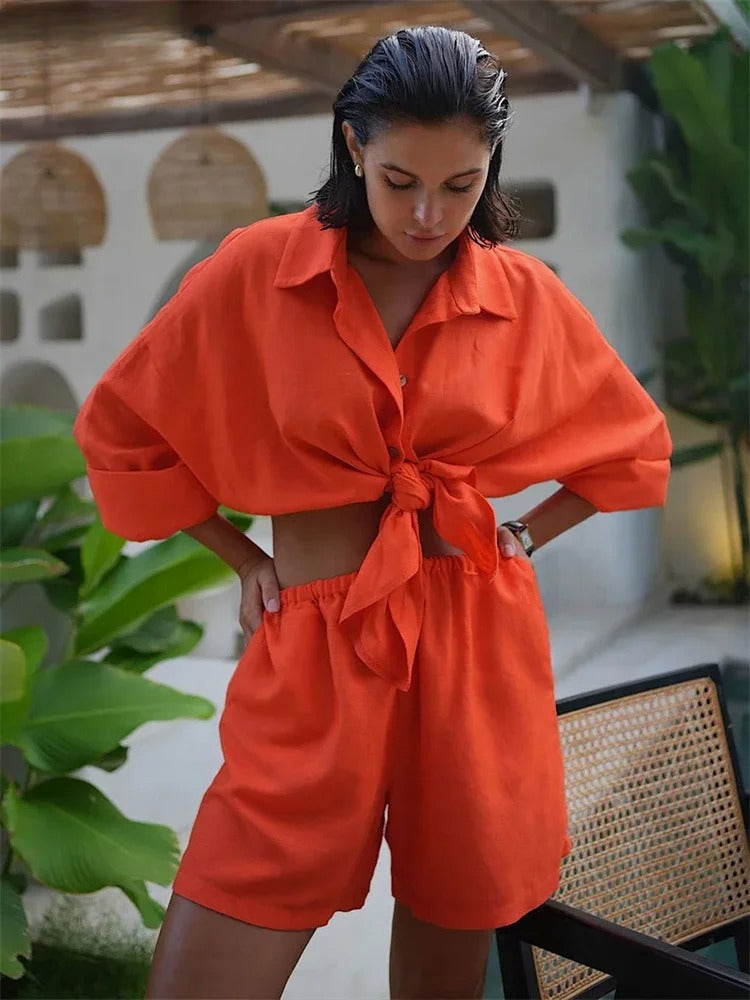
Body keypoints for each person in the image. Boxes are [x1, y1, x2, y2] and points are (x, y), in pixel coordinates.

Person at [73, 25, 672, 1000]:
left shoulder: (522, 295)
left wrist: (523, 536)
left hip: (474, 643)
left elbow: (632, 445)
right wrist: (239, 555)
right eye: (401, 181)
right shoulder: (258, 271)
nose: (428, 214)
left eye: (461, 184)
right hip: (316, 646)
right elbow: (123, 429)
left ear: (491, 165)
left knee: (445, 955)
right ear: (354, 146)